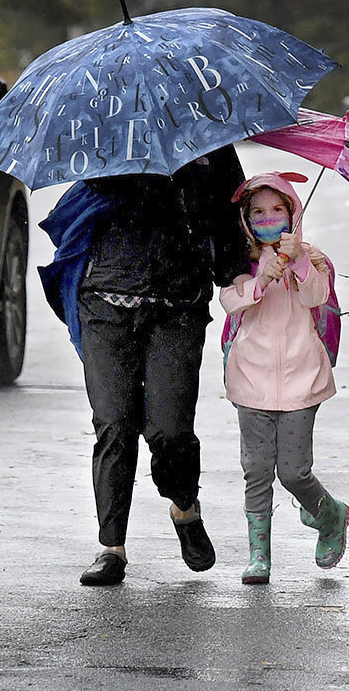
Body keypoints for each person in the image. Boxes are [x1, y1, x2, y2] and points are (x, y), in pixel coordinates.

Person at [71, 146, 249, 587]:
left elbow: (230, 215)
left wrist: (243, 275)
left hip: (179, 302)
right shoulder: (104, 134)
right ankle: (112, 548)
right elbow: (83, 200)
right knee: (114, 422)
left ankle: (185, 507)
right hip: (105, 297)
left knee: (169, 429)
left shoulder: (208, 143)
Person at [219, 171, 349, 584]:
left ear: (293, 213)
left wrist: (297, 263)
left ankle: (331, 514)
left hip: (302, 379)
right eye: (258, 212)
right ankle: (260, 557)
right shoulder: (240, 262)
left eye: (278, 209)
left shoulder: (312, 257)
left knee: (293, 472)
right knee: (256, 469)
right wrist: (261, 280)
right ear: (245, 219)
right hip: (250, 381)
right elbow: (231, 301)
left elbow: (317, 297)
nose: (268, 217)